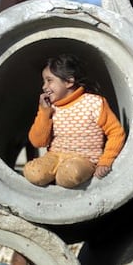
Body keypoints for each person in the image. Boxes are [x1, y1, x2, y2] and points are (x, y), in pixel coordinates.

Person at [23, 54, 126, 188]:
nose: (44, 86)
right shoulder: (50, 108)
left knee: (72, 173)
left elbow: (116, 133)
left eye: (49, 80)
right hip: (54, 156)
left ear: (69, 82)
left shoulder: (94, 103)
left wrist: (105, 161)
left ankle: (61, 177)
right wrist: (44, 113)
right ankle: (57, 174)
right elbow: (38, 142)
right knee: (33, 173)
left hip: (84, 160)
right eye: (44, 81)